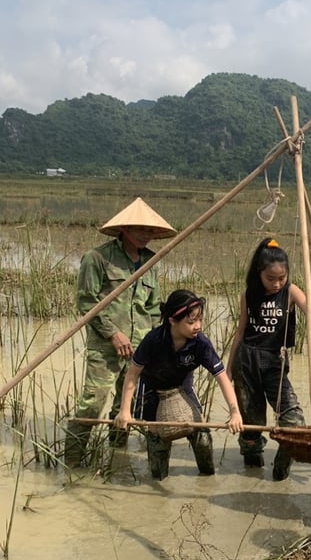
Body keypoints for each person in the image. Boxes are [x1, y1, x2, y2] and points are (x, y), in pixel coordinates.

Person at [226, 237, 311, 481]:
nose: (276, 284)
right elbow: (240, 332)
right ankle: (252, 477)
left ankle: (280, 472)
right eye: (270, 279)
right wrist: (229, 369)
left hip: (275, 363)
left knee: (294, 421)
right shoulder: (248, 294)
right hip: (247, 362)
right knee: (251, 428)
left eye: (281, 278)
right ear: (258, 273)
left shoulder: (291, 292)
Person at [64, 198, 176, 468]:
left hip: (138, 350)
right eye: (140, 229)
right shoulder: (98, 258)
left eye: (150, 231)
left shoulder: (151, 261)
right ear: (124, 228)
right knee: (93, 402)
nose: (146, 235)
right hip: (105, 347)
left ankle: (115, 461)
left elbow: (152, 307)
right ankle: (73, 466)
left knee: (123, 409)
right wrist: (113, 334)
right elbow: (86, 302)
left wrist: (151, 343)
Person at [113, 289, 243, 480]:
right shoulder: (153, 340)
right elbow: (132, 374)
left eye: (200, 320)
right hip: (152, 389)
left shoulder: (200, 344)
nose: (197, 326)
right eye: (191, 322)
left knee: (202, 437)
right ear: (172, 320)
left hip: (182, 387)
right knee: (158, 444)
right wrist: (125, 410)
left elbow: (221, 376)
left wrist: (234, 411)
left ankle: (207, 479)